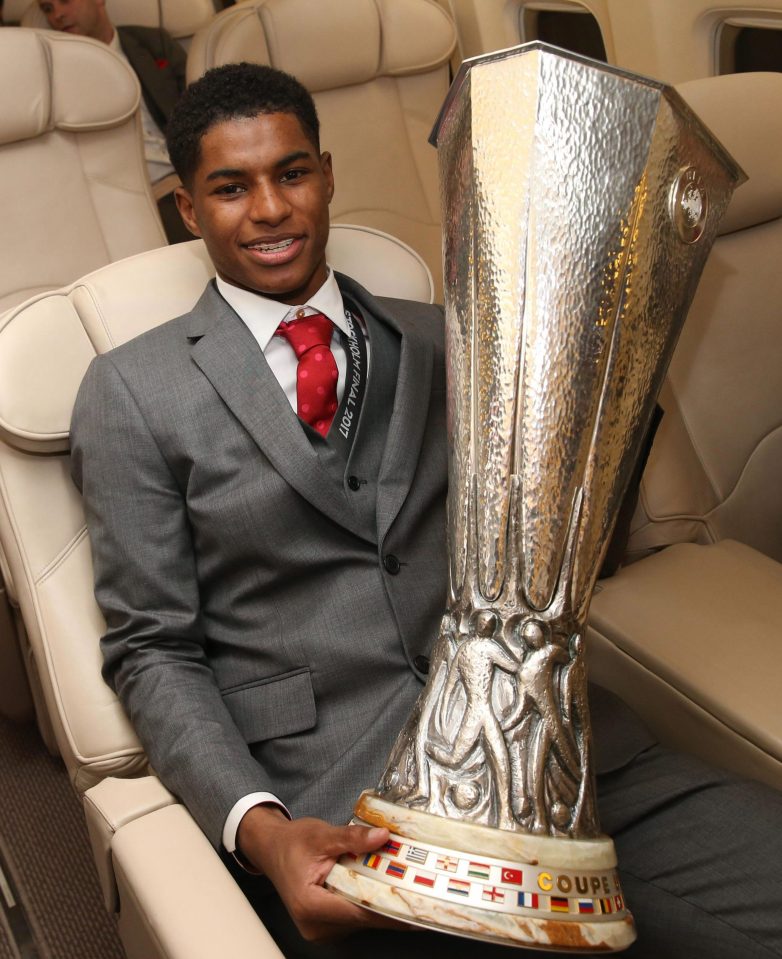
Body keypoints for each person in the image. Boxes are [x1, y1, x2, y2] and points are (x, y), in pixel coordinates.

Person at [70, 63, 782, 959]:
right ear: (186, 208)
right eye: (229, 187)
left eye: (291, 173)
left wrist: (606, 366)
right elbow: (152, 649)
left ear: (327, 174)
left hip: (569, 751)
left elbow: (562, 553)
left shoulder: (452, 334)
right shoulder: (133, 389)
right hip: (350, 810)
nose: (269, 209)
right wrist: (262, 828)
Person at [38, 0, 190, 242]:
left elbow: (200, 111)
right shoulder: (51, 74)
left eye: (65, 1)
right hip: (119, 194)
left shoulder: (154, 44)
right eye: (47, 8)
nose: (57, 15)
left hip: (181, 174)